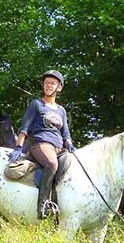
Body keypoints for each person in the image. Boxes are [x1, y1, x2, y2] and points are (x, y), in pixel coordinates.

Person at [9, 69, 76, 219]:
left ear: (59, 87)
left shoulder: (62, 111)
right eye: (46, 83)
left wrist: (70, 144)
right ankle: (43, 206)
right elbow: (25, 127)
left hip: (59, 147)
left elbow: (65, 132)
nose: (49, 85)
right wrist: (19, 146)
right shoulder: (37, 104)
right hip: (40, 144)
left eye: (53, 83)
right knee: (52, 164)